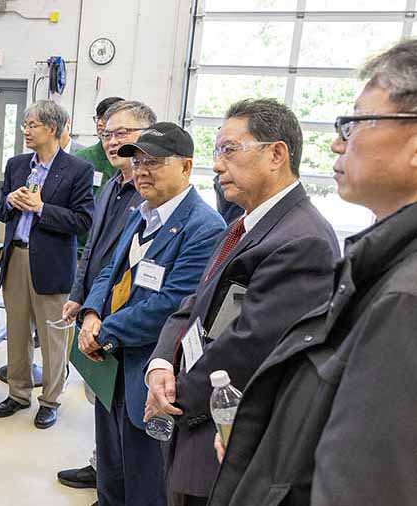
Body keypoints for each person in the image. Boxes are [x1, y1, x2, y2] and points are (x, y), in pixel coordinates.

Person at [208, 38, 417, 506]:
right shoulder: (381, 266)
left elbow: (365, 483)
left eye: (357, 122)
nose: (337, 141)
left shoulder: (405, 299)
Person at [143, 99, 340, 506]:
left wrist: (175, 395)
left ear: (276, 154)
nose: (217, 165)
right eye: (218, 152)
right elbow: (197, 302)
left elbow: (249, 345)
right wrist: (163, 361)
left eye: (230, 150)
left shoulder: (302, 240)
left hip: (222, 432)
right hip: (193, 411)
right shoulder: (247, 224)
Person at [77, 123, 225, 506]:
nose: (142, 170)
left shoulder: (204, 227)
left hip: (149, 372)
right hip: (111, 366)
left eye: (154, 162)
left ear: (187, 166)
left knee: (145, 482)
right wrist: (92, 312)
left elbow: (173, 304)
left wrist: (104, 330)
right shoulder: (140, 214)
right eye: (138, 161)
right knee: (111, 470)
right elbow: (110, 271)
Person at [55, 100, 155, 490]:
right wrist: (81, 296)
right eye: (108, 134)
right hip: (96, 311)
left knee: (125, 414)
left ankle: (115, 479)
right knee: (101, 401)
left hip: (122, 322)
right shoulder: (112, 185)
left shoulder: (149, 195)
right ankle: (104, 471)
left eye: (123, 134)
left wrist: (103, 318)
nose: (113, 142)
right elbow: (93, 249)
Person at [0, 99, 94, 429]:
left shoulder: (78, 170)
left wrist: (40, 208)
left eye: (32, 125)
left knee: (54, 337)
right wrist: (8, 200)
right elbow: (0, 211)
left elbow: (83, 221)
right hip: (16, 258)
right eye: (25, 125)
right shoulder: (17, 165)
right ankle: (18, 393)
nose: (26, 131)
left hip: (51, 263)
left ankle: (50, 400)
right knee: (17, 331)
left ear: (52, 128)